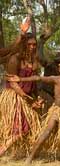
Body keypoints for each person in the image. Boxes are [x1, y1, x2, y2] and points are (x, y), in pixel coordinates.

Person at [0, 17, 42, 158]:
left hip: (28, 97)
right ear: (24, 45)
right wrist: (29, 100)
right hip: (15, 97)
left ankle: (17, 152)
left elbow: (35, 82)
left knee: (26, 128)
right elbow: (13, 83)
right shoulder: (15, 59)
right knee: (21, 129)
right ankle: (2, 150)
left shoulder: (34, 61)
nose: (32, 47)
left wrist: (37, 98)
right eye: (29, 44)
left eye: (34, 44)